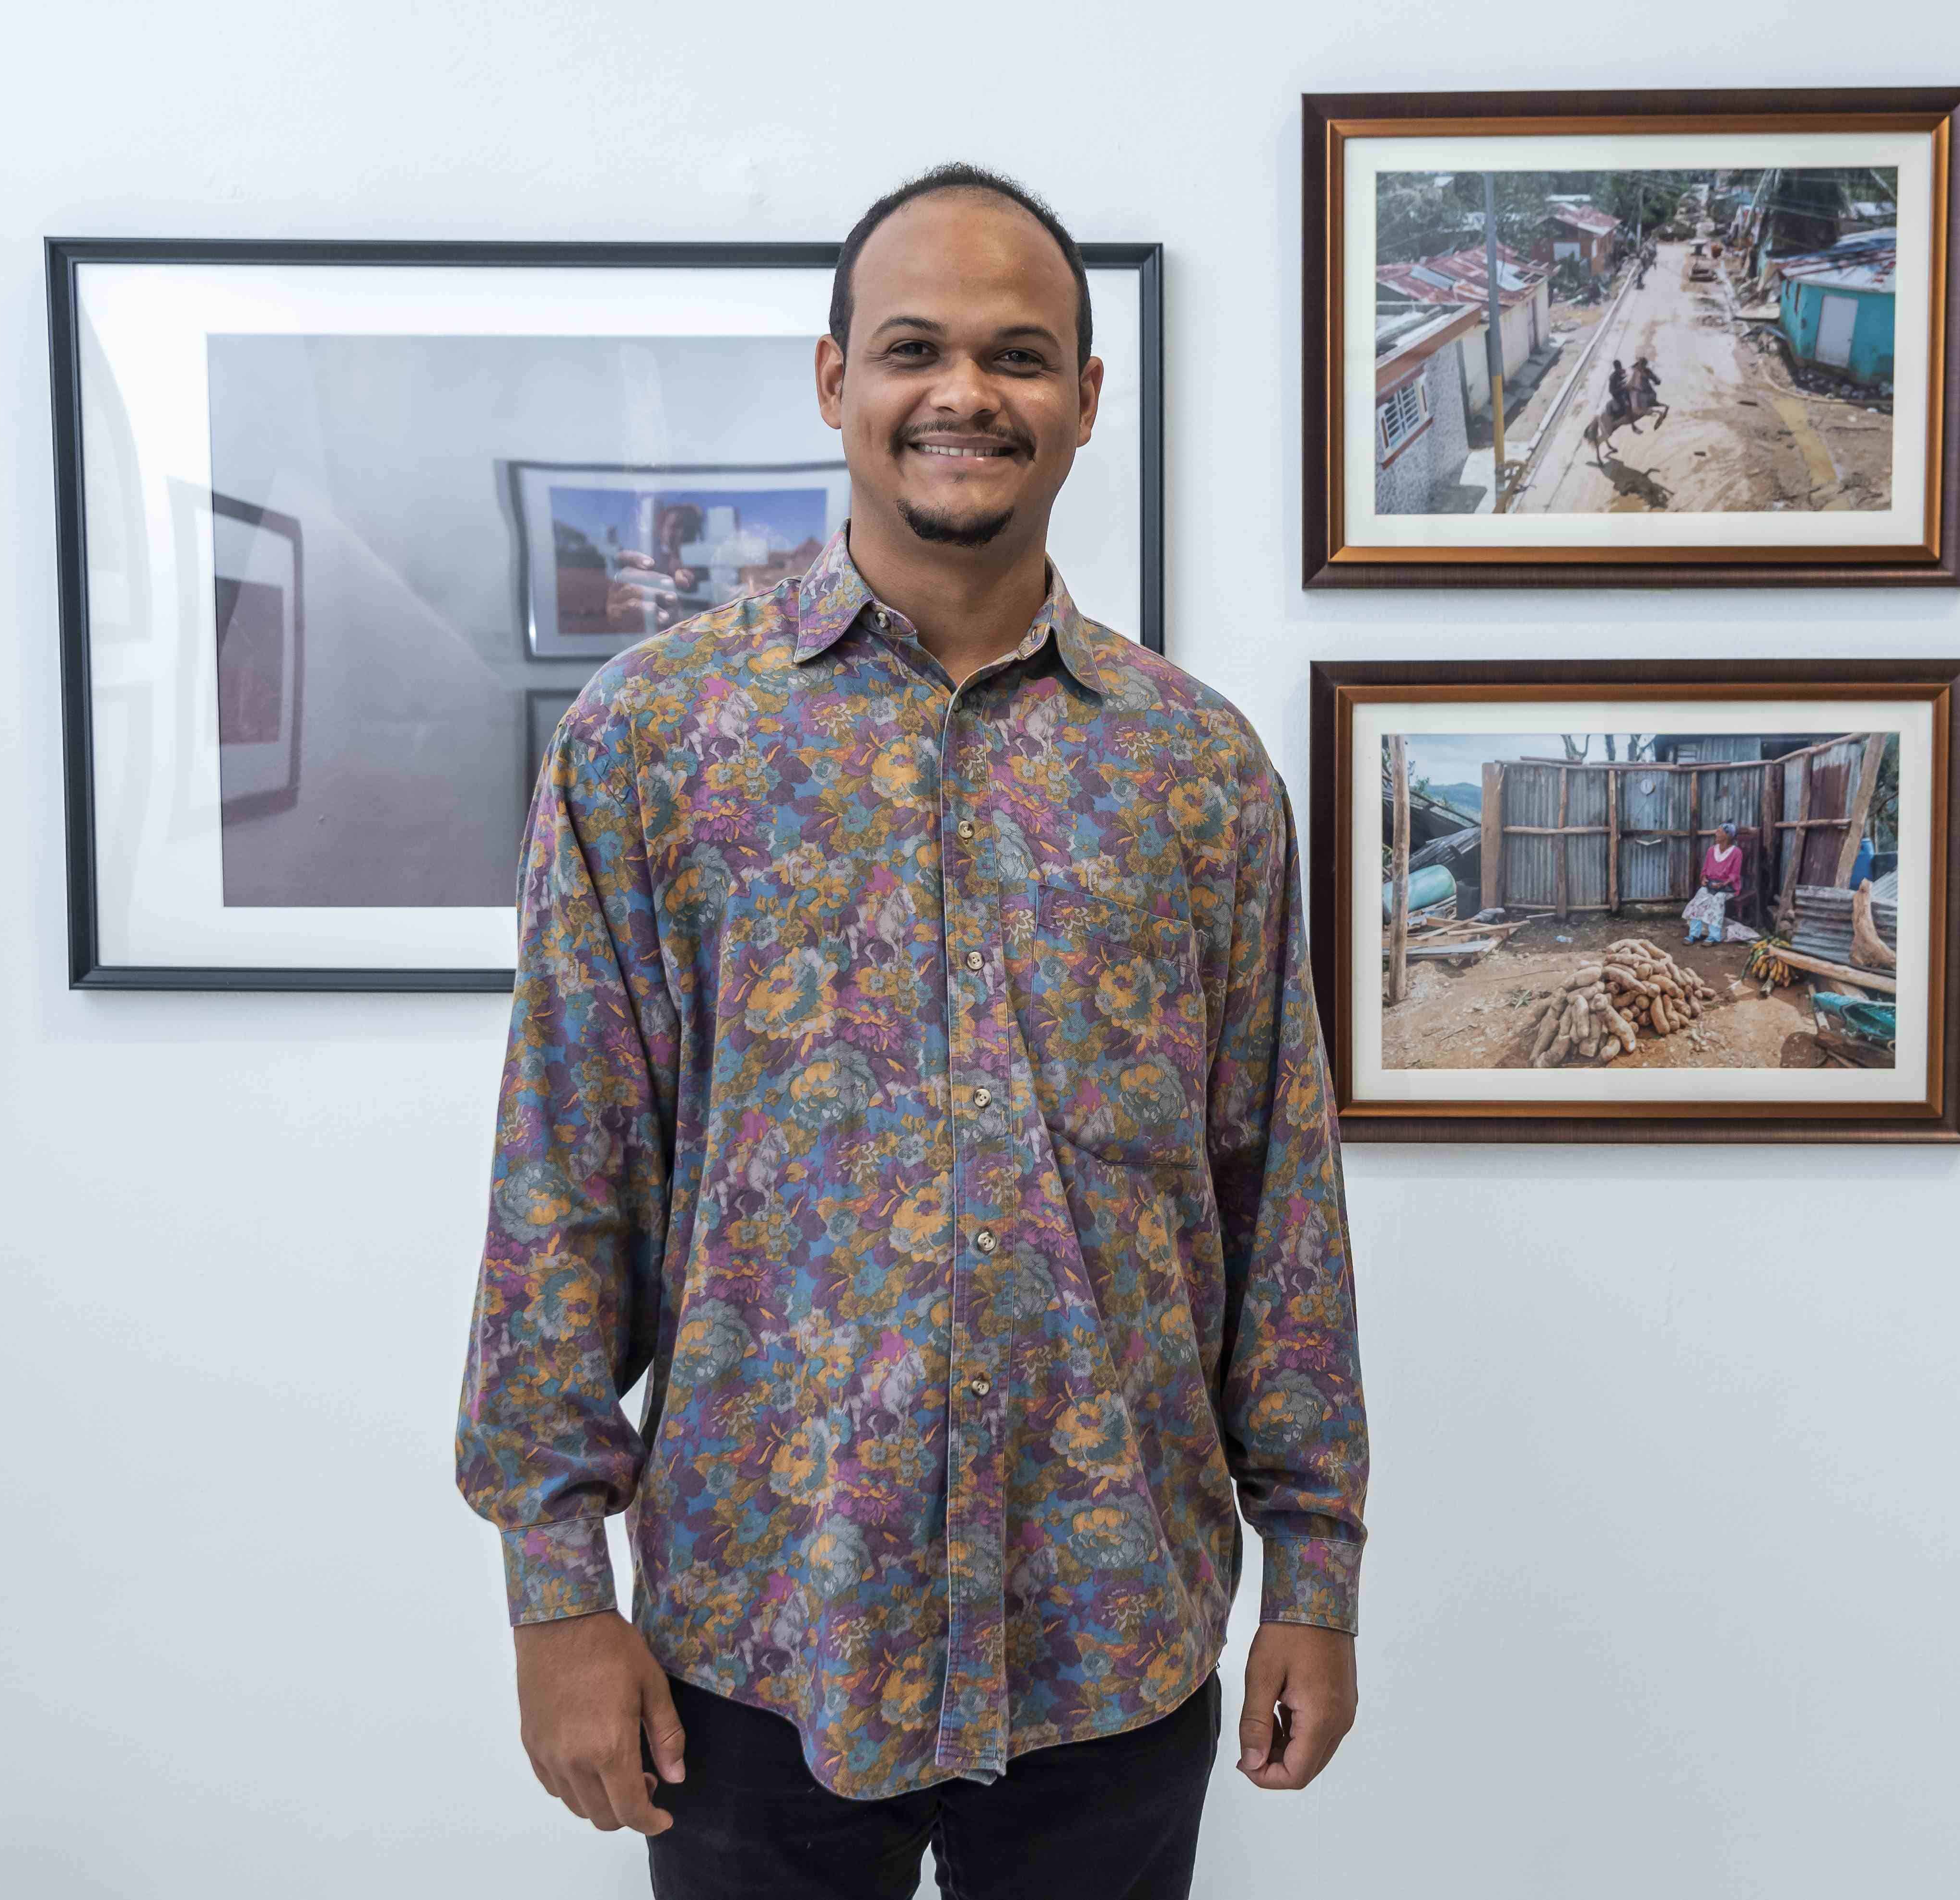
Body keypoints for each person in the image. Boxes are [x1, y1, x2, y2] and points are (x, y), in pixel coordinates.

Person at [455, 163, 1368, 1900]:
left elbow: (1279, 1210)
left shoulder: (1198, 771)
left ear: (1088, 399)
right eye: (914, 349)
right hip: (760, 1631)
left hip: (1110, 1631)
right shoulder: (660, 740)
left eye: (1020, 355)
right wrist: (556, 1590)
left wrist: (1311, 1576)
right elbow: (566, 1176)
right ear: (835, 382)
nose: (966, 392)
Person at [1685, 822, 1742, 945]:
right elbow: (1705, 869)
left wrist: (1723, 884)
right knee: (1700, 897)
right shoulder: (1712, 850)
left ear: (1727, 835)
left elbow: (1735, 875)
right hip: (1711, 884)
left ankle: (1714, 937)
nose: (1716, 833)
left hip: (1728, 887)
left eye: (1719, 831)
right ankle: (1694, 934)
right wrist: (1704, 879)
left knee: (1718, 900)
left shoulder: (1737, 853)